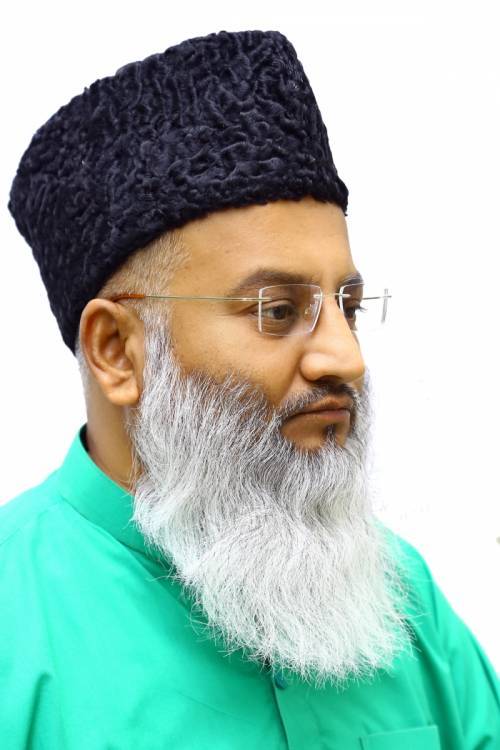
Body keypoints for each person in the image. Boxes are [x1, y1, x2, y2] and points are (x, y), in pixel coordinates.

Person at [2, 29, 499, 750]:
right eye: (277, 311)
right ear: (117, 351)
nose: (346, 358)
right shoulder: (14, 624)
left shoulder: (403, 597)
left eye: (348, 307)